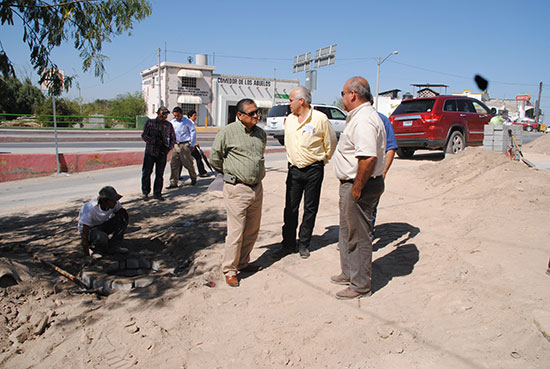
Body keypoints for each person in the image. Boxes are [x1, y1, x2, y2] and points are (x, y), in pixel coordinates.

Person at [331, 76, 386, 300]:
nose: (342, 96)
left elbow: (368, 158)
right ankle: (349, 272)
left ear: (353, 94)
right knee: (346, 231)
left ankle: (360, 284)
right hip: (354, 183)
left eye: (343, 93)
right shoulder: (359, 117)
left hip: (360, 184)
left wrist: (357, 188)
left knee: (359, 236)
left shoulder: (364, 120)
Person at [210, 98, 267, 287]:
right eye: (251, 113)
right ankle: (229, 269)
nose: (256, 116)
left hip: (256, 188)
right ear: (240, 115)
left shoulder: (261, 134)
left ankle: (243, 262)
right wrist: (230, 173)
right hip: (236, 188)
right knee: (236, 232)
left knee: (252, 229)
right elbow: (215, 158)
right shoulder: (227, 132)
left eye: (257, 112)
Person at [281, 86, 337, 259]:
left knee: (310, 208)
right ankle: (288, 243)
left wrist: (323, 159)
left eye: (291, 100)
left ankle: (304, 243)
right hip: (294, 171)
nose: (288, 103)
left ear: (301, 101)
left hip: (313, 170)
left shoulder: (320, 118)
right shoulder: (289, 120)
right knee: (290, 208)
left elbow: (331, 142)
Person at [78, 186, 128, 256]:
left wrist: (122, 219)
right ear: (105, 201)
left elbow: (121, 214)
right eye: (113, 200)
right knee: (102, 237)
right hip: (90, 230)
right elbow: (84, 232)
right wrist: (86, 253)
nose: (116, 203)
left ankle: (114, 247)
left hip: (102, 225)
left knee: (122, 217)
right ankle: (95, 249)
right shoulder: (90, 208)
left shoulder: (114, 204)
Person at [141, 106, 176, 201]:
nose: (164, 116)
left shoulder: (168, 125)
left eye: (166, 114)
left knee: (159, 174)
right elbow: (144, 135)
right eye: (163, 114)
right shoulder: (150, 123)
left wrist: (168, 148)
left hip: (162, 153)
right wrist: (153, 141)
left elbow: (173, 138)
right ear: (158, 113)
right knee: (146, 173)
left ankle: (157, 193)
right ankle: (145, 192)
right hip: (150, 151)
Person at [371, 111, 398, 230]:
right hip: (353, 173)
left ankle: (367, 238)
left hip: (373, 174)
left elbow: (391, 147)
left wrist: (384, 171)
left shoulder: (381, 120)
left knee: (370, 208)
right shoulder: (352, 118)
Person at [167, 107, 197, 188]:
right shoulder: (172, 123)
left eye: (178, 115)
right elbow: (169, 134)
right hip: (175, 145)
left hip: (185, 145)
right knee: (174, 164)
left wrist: (192, 144)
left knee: (188, 163)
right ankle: (173, 182)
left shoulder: (187, 122)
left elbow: (192, 132)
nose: (176, 117)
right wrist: (169, 144)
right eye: (175, 116)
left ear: (181, 114)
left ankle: (193, 177)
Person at [187, 110, 210, 177]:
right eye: (194, 115)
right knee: (198, 157)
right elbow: (189, 134)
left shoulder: (188, 123)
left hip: (190, 143)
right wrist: (194, 143)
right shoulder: (190, 123)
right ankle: (202, 172)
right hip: (190, 144)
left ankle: (177, 175)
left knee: (182, 160)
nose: (196, 117)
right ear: (190, 116)